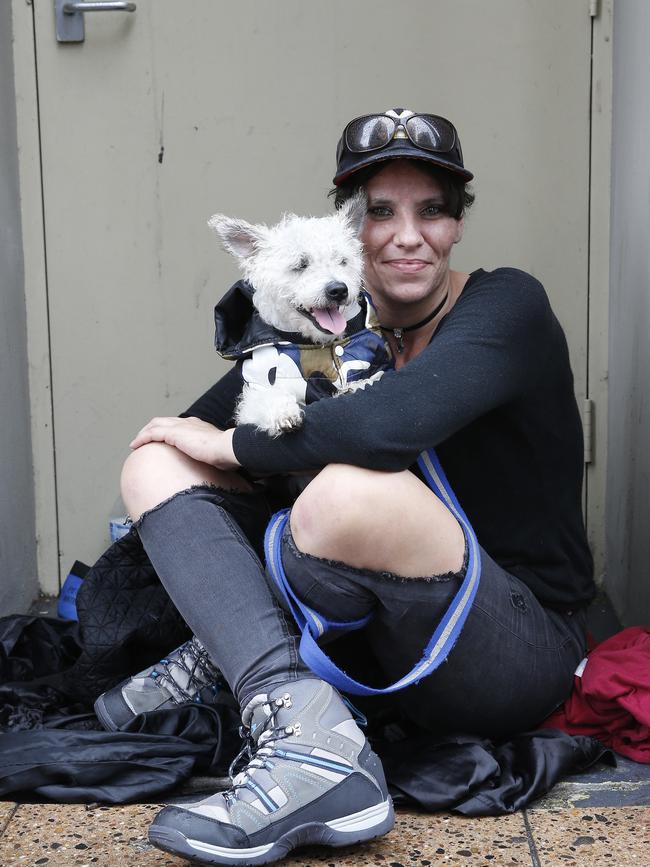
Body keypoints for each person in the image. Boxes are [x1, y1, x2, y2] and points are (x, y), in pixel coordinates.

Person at [96, 108, 595, 865]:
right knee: (157, 462)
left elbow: (388, 425)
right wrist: (214, 428)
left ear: (457, 224)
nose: (404, 235)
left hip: (516, 645)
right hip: (374, 648)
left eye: (431, 210)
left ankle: (270, 685)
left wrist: (234, 441)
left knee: (341, 494)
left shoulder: (507, 306)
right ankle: (299, 729)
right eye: (380, 213)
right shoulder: (328, 335)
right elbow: (195, 436)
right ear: (349, 232)